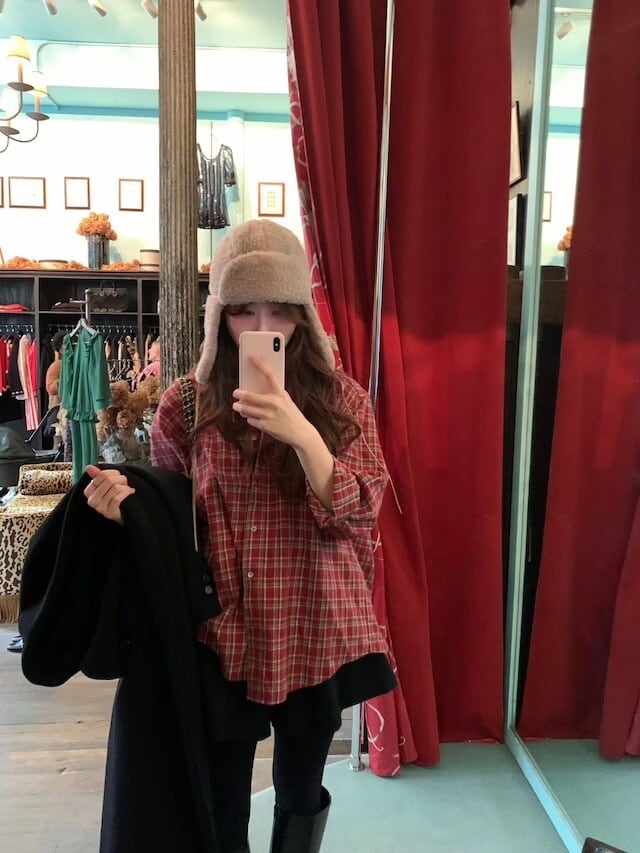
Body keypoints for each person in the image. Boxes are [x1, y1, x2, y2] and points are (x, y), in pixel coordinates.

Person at [83, 219, 396, 853]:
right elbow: (173, 520)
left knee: (299, 788)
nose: (261, 327)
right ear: (218, 316)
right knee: (222, 800)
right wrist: (125, 513)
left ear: (302, 314)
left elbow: (364, 507)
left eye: (279, 310)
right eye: (242, 311)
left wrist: (302, 433)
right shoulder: (186, 404)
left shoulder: (341, 400)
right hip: (225, 631)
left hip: (314, 624)